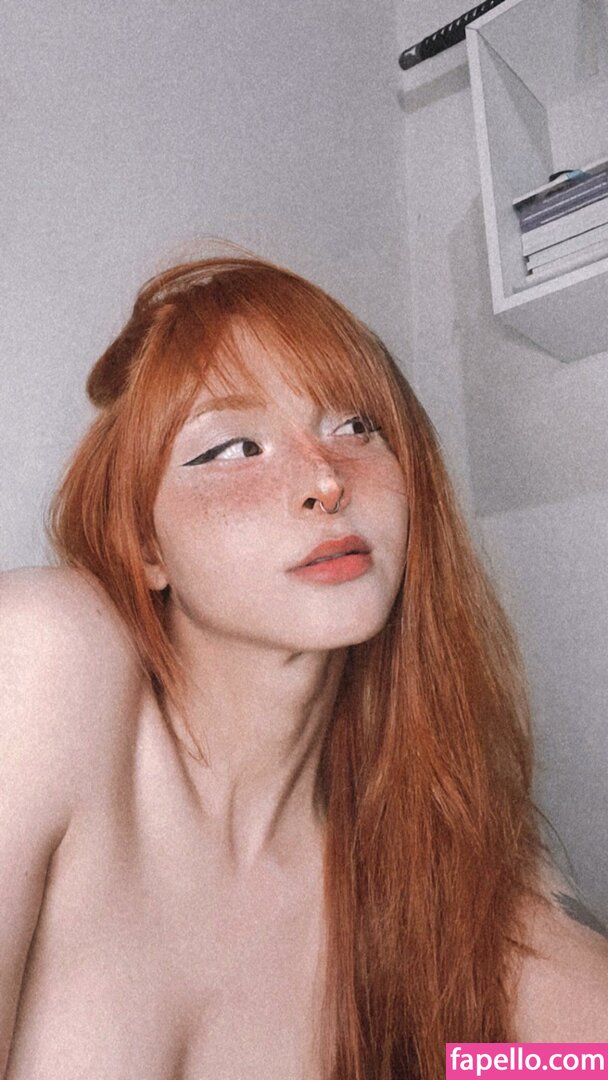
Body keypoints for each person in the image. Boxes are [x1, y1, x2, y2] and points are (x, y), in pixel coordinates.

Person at [1, 251, 606, 1080]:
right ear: (146, 546)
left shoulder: (419, 865)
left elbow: (569, 1055)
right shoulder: (46, 658)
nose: (325, 480)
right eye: (233, 447)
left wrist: (491, 1063)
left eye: (355, 427)